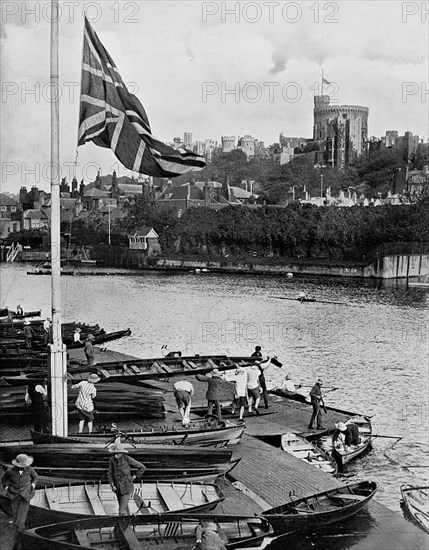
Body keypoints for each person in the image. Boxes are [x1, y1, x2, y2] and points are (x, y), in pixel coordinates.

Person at [1, 453, 38, 530]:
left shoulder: (29, 469)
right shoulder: (10, 471)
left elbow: (35, 477)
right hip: (13, 493)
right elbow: (4, 479)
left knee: (23, 512)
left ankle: (21, 528)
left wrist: (33, 484)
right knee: (14, 511)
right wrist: (7, 487)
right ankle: (16, 524)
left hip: (26, 493)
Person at [108, 442, 146, 515]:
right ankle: (127, 525)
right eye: (115, 453)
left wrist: (133, 477)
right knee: (125, 509)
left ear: (121, 453)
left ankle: (122, 525)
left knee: (121, 512)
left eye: (117, 453)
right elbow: (110, 473)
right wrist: (112, 485)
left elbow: (142, 467)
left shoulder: (127, 459)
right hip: (117, 488)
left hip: (126, 487)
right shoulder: (112, 460)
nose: (116, 455)